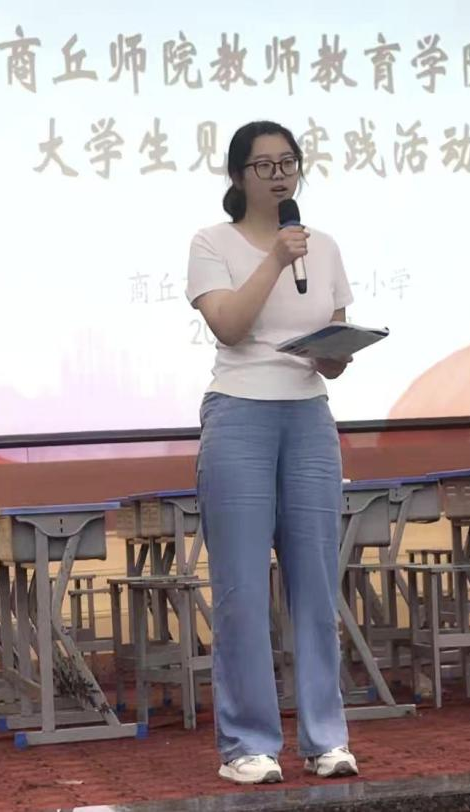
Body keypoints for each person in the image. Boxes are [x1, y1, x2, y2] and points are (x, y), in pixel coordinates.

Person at [186, 120, 358, 785]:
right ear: (238, 176)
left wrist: (334, 352)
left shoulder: (326, 247)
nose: (280, 174)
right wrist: (276, 260)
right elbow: (230, 326)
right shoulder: (212, 243)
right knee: (241, 588)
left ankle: (325, 739)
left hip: (309, 414)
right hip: (239, 412)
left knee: (315, 584)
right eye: (265, 165)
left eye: (288, 162)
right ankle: (247, 746)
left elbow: (333, 346)